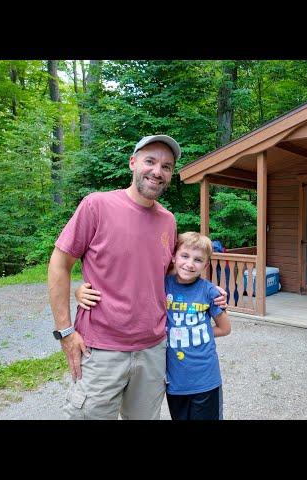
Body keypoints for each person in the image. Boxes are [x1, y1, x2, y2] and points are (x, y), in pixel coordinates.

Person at [47, 134, 227, 420]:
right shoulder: (97, 205)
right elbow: (60, 262)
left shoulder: (168, 220)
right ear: (133, 163)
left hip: (153, 350)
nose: (158, 171)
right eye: (150, 161)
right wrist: (66, 331)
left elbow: (167, 272)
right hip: (102, 350)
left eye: (166, 166)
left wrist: (208, 290)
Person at [76, 231, 231, 420]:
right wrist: (79, 291)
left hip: (206, 379)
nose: (190, 264)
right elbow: (130, 286)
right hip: (175, 382)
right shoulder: (162, 284)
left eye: (198, 260)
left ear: (206, 265)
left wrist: (192, 333)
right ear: (173, 257)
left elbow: (224, 328)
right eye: (184, 256)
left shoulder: (209, 292)